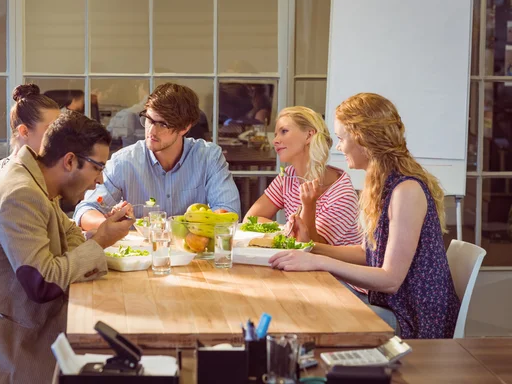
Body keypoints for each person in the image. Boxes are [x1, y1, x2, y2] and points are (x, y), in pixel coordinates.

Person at [0, 111, 134, 383]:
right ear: (69, 161)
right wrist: (100, 241)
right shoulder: (20, 193)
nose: (100, 180)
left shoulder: (39, 182)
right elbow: (42, 284)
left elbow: (71, 238)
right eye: (98, 167)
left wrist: (100, 236)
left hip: (15, 329)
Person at [269, 93, 460, 339]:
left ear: (362, 138)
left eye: (341, 138)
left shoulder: (407, 190)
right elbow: (366, 252)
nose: (338, 146)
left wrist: (317, 261)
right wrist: (310, 248)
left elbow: (390, 280)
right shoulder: (382, 183)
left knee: (308, 314)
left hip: (414, 319)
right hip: (394, 307)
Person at [74, 83, 240, 230]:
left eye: (162, 124)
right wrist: (112, 224)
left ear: (185, 128)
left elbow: (229, 213)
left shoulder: (208, 157)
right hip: (140, 257)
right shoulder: (124, 161)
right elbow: (85, 211)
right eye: (149, 120)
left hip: (193, 254)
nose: (151, 131)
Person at [245, 106, 362, 246]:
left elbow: (314, 248)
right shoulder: (287, 177)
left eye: (284, 131)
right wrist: (286, 230)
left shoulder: (342, 194)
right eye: (276, 134)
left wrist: (308, 206)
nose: (275, 140)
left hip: (332, 267)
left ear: (309, 135)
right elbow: (251, 219)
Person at [0, 84, 60, 230]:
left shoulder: (41, 172)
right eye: (51, 129)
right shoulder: (4, 178)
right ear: (24, 131)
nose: (59, 136)